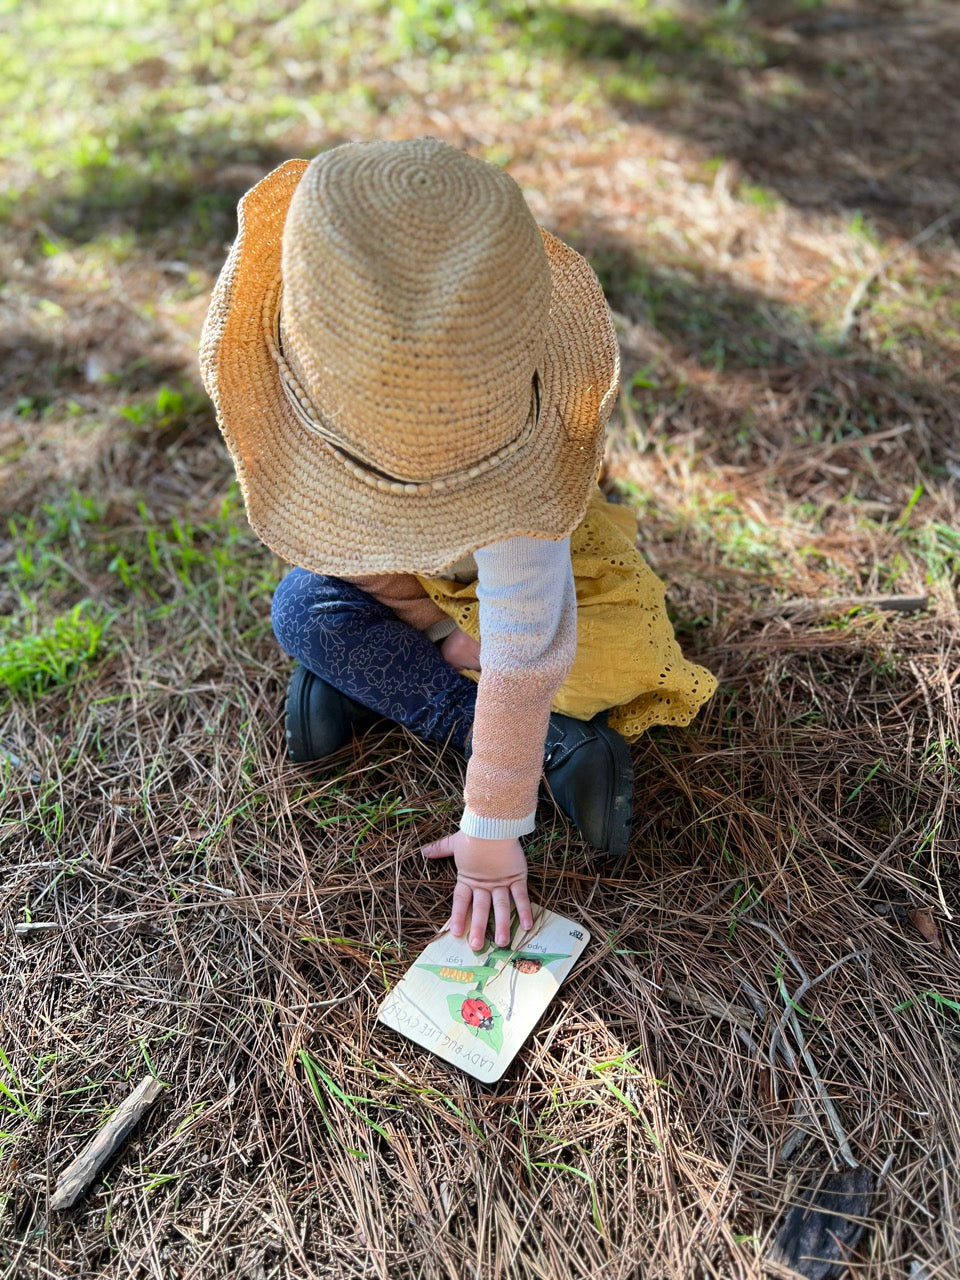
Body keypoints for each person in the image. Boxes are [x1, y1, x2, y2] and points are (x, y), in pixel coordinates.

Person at [200, 137, 716, 954]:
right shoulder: (333, 433)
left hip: (528, 599)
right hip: (425, 591)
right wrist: (442, 632)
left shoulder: (514, 491)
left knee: (603, 662)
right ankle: (536, 737)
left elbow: (528, 648)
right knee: (305, 605)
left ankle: (392, 695)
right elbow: (346, 551)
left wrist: (492, 828)